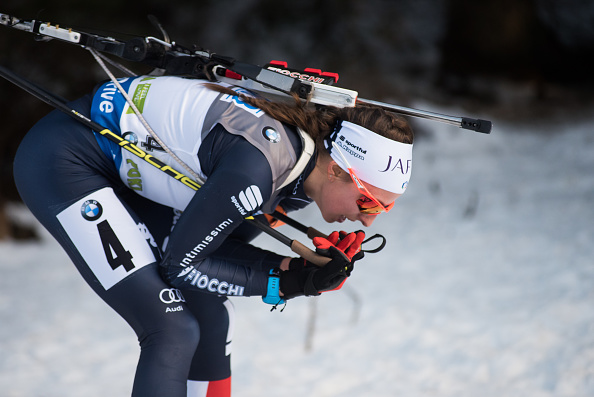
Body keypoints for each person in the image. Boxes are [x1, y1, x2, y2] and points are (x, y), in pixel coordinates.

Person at [13, 74, 414, 397]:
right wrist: (288, 280)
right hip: (65, 161)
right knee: (171, 329)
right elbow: (182, 267)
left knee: (210, 314)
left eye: (384, 208)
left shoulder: (297, 181)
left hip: (128, 172)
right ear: (338, 170)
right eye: (369, 204)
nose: (368, 222)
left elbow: (217, 246)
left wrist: (296, 271)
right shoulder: (258, 172)